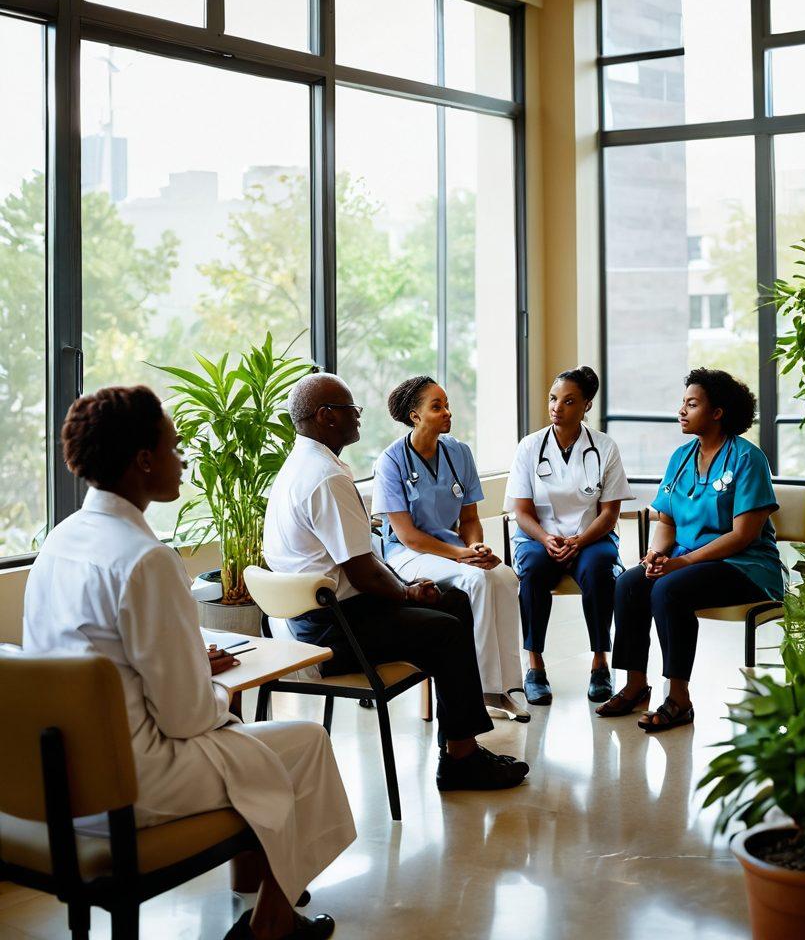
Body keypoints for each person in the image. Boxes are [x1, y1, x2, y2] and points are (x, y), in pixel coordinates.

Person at [23, 386, 355, 940]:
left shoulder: (60, 541)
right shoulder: (146, 558)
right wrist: (207, 681)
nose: (183, 460)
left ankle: (267, 900)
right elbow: (184, 719)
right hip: (133, 780)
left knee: (257, 743)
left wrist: (186, 672)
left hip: (60, 780)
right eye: (175, 447)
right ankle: (272, 921)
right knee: (305, 745)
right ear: (144, 460)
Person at [263, 372, 530, 793]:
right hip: (331, 630)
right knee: (446, 629)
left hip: (317, 614)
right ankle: (461, 763)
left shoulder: (300, 466)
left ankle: (459, 744)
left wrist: (411, 586)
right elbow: (363, 571)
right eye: (352, 409)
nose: (358, 417)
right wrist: (406, 591)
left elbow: (365, 559)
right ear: (326, 416)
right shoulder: (327, 478)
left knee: (454, 601)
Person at [597, 368, 783, 733]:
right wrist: (656, 555)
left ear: (718, 413)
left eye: (692, 404)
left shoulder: (748, 458)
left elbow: (743, 535)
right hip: (688, 559)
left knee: (670, 589)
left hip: (743, 565)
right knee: (630, 583)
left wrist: (679, 563)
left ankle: (678, 699)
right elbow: (666, 520)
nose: (681, 411)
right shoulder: (681, 457)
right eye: (682, 403)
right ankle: (635, 685)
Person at [372, 376, 527, 722]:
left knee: (503, 576)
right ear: (415, 416)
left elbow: (470, 518)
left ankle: (506, 687)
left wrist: (476, 546)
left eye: (446, 404)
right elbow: (407, 536)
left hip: (455, 550)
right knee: (479, 581)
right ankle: (484, 689)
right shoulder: (391, 461)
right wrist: (463, 556)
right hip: (407, 556)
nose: (447, 412)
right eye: (437, 406)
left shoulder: (459, 452)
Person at [505, 366, 633, 706]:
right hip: (538, 538)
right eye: (553, 398)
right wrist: (547, 539)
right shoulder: (530, 447)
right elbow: (521, 511)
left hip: (590, 538)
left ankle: (600, 663)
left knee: (600, 569)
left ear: (586, 405)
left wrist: (578, 541)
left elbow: (609, 514)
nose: (556, 407)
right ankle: (535, 666)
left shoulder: (604, 447)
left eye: (568, 400)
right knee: (531, 571)